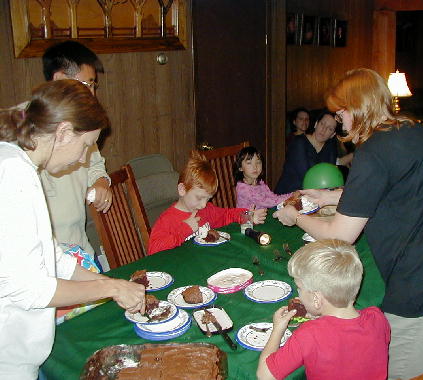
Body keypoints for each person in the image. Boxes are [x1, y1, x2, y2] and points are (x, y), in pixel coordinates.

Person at [274, 68, 423, 379]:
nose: (340, 121)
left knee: (392, 365)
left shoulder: (372, 151)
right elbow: (390, 191)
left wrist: (296, 216)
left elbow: (340, 235)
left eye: (341, 112)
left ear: (356, 107)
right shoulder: (413, 131)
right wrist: (327, 197)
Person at [0, 80, 145, 379]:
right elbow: (32, 289)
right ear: (64, 132)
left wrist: (104, 281)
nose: (83, 159)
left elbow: (53, 257)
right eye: (84, 146)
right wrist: (111, 287)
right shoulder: (13, 176)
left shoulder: (20, 165)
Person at [257, 239, 390, 380]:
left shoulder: (309, 334)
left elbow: (265, 375)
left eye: (300, 288)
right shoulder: (377, 317)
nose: (298, 294)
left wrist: (278, 329)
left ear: (317, 299)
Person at [40, 40, 112, 257]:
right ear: (61, 79)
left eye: (93, 86)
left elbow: (94, 165)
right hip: (46, 258)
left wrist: (100, 181)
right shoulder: (26, 135)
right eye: (87, 84)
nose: (92, 94)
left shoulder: (83, 123)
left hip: (78, 249)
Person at [148, 150, 267, 254]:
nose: (204, 204)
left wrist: (247, 216)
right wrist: (185, 229)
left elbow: (226, 215)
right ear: (182, 189)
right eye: (199, 198)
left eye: (208, 199)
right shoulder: (167, 220)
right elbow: (153, 250)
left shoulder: (205, 209)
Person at [275, 110, 352, 194]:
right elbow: (306, 176)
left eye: (330, 128)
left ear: (332, 135)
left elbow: (329, 175)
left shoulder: (330, 148)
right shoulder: (299, 143)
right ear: (316, 124)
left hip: (312, 198)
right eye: (322, 124)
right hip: (288, 196)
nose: (324, 129)